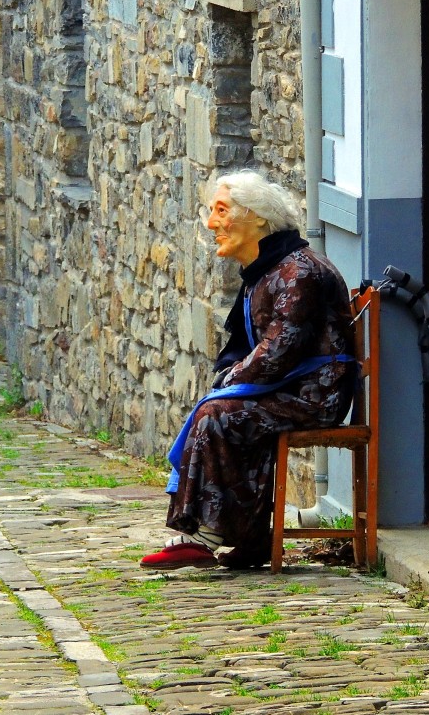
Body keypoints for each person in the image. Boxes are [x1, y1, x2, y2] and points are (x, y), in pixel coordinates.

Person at [140, 170, 358, 570]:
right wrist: (232, 378)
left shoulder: (298, 271)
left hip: (315, 394)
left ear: (257, 217)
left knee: (217, 414)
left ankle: (202, 535)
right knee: (223, 409)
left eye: (221, 211)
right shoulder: (268, 271)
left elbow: (280, 349)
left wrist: (232, 380)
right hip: (292, 389)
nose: (211, 223)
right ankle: (251, 540)